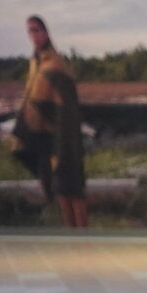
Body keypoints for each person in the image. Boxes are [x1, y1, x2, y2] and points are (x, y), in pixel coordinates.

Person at [12, 15, 87, 227]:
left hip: (64, 135)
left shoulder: (56, 64)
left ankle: (85, 237)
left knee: (73, 188)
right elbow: (33, 100)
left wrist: (64, 138)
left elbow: (66, 106)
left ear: (45, 33)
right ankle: (71, 236)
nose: (33, 35)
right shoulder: (35, 63)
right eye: (30, 31)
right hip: (44, 137)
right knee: (59, 190)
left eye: (36, 30)